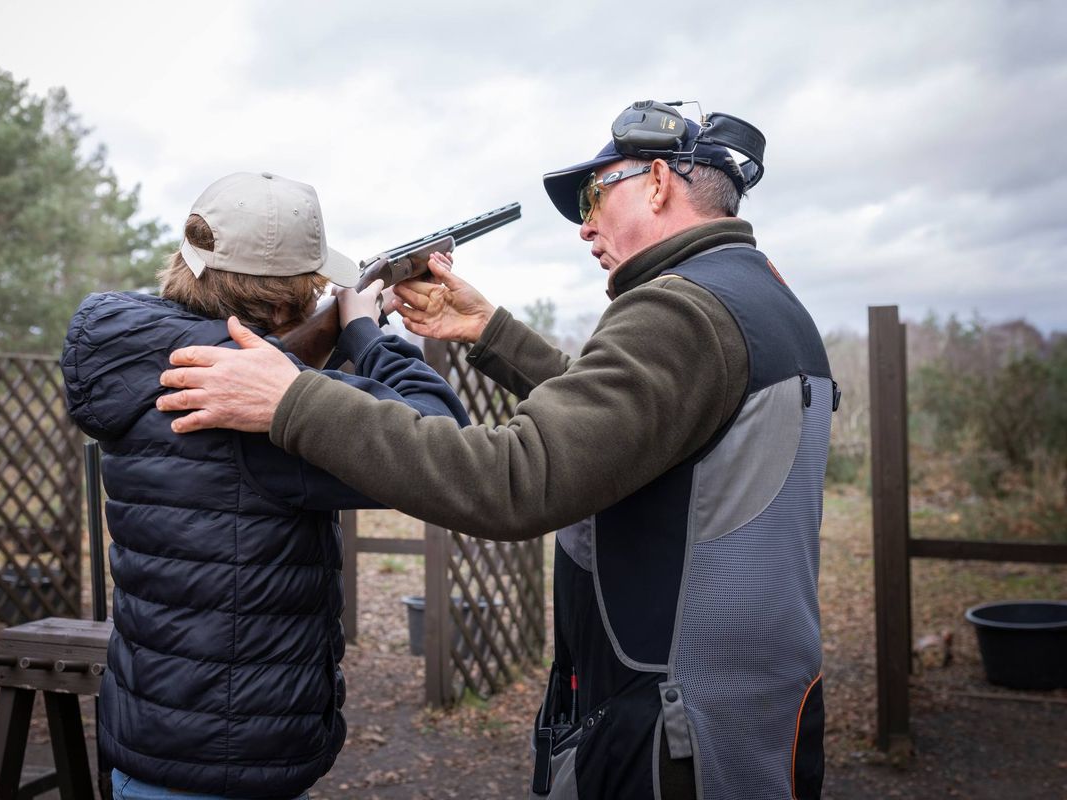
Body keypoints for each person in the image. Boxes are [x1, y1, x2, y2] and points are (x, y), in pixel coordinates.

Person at [156, 103, 835, 800]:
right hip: (745, 705)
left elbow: (514, 479)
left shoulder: (677, 310)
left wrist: (293, 400)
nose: (585, 225)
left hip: (669, 733)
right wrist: (489, 330)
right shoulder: (760, 297)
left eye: (595, 195)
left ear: (658, 181)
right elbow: (629, 431)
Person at [60, 171, 469, 800]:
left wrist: (328, 339)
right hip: (233, 760)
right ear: (281, 306)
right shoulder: (250, 401)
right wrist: (365, 331)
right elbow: (444, 441)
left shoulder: (142, 359)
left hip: (151, 736)